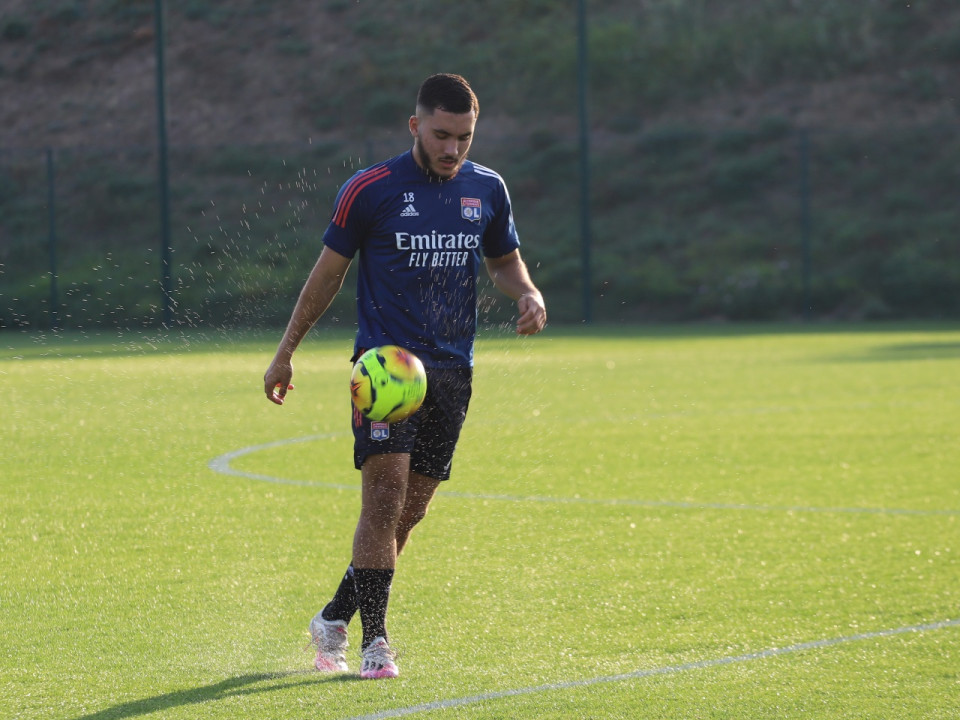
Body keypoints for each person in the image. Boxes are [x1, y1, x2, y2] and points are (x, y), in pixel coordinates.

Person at [263, 73, 547, 680]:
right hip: (386, 371)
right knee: (383, 500)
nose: (452, 149)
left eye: (464, 139)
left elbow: (502, 261)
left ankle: (334, 615)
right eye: (441, 135)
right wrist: (287, 351)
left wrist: (525, 291)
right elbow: (328, 274)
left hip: (451, 372)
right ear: (415, 125)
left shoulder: (487, 188)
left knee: (409, 513)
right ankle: (376, 643)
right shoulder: (370, 189)